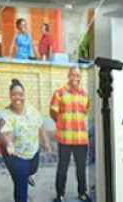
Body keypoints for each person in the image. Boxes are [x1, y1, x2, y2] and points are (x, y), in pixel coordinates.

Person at [0, 79, 51, 202]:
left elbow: (40, 125)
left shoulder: (31, 108)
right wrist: (9, 143)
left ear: (24, 95)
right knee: (21, 186)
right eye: (14, 94)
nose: (18, 98)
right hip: (16, 156)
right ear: (10, 96)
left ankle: (27, 175)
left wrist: (46, 143)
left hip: (33, 151)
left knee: (32, 169)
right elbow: (5, 133)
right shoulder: (6, 116)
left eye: (20, 94)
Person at [50, 68, 91, 202]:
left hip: (81, 138)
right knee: (63, 166)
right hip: (65, 137)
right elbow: (53, 111)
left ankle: (82, 192)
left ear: (79, 77)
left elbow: (85, 112)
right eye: (73, 74)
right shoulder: (60, 93)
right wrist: (61, 122)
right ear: (68, 76)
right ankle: (60, 194)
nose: (75, 77)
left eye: (77, 75)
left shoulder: (85, 94)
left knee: (81, 168)